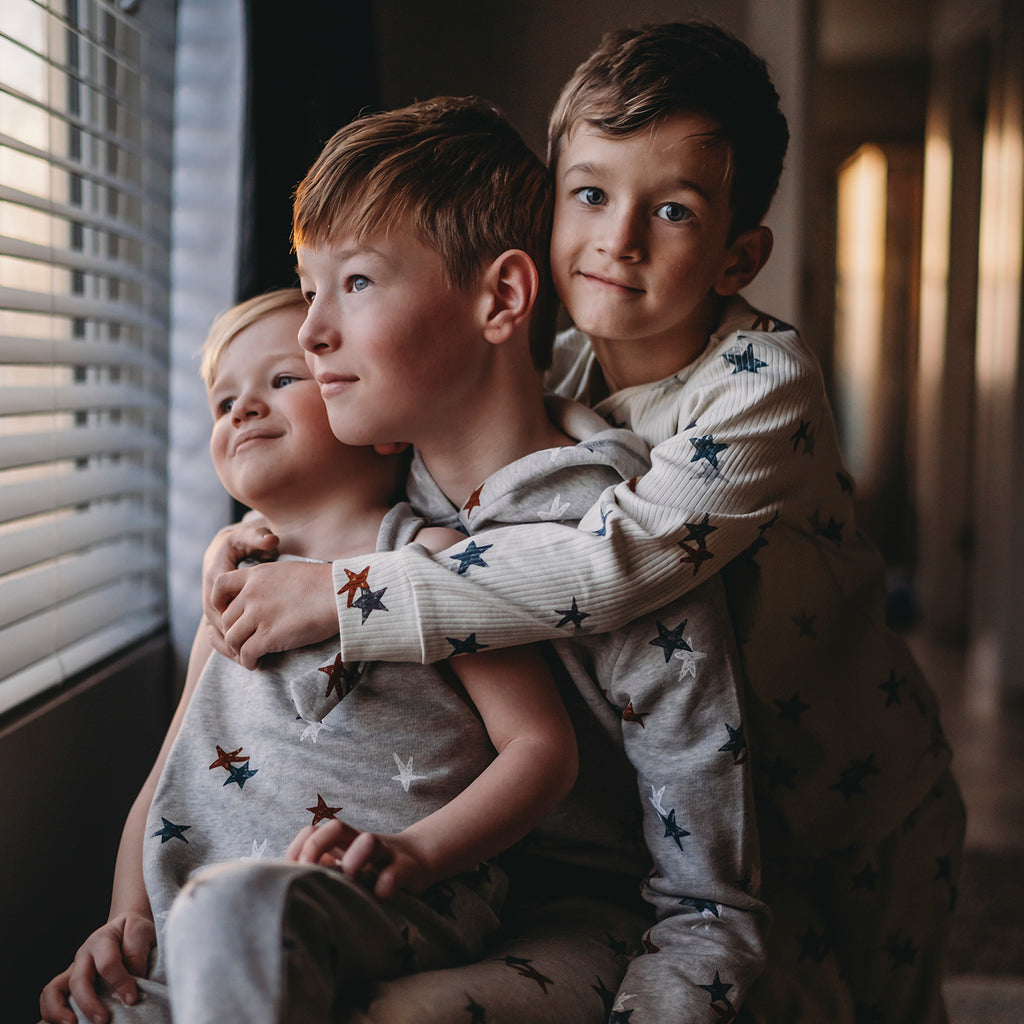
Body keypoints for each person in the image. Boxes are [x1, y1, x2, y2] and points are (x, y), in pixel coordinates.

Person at [206, 24, 966, 1024]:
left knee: (873, 1001)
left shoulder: (761, 389)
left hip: (855, 788)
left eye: (674, 210)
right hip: (689, 786)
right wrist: (258, 538)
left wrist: (348, 596)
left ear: (739, 254)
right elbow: (405, 490)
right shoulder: (556, 383)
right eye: (591, 194)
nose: (618, 239)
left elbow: (609, 568)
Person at [208, 96, 767, 1024]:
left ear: (500, 299)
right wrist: (229, 552)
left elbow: (712, 900)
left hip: (583, 918)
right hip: (434, 899)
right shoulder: (393, 493)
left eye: (355, 284)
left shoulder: (627, 545)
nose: (310, 335)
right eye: (310, 288)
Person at [39, 289, 582, 1024]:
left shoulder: (432, 563)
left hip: (378, 899)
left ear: (382, 422)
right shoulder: (228, 598)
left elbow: (541, 746)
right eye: (224, 400)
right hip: (185, 929)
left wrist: (417, 855)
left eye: (283, 380)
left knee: (241, 920)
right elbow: (164, 778)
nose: (242, 410)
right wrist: (123, 916)